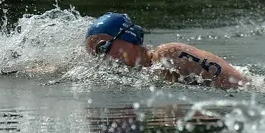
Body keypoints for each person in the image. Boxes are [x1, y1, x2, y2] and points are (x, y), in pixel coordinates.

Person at [84, 12, 250, 90]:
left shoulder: (169, 54)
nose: (102, 58)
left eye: (102, 48)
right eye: (95, 55)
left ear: (127, 37)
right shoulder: (138, 74)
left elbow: (241, 84)